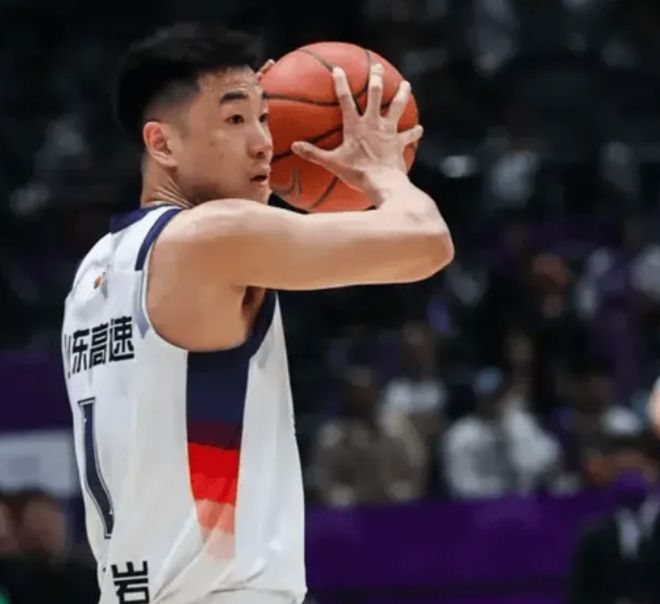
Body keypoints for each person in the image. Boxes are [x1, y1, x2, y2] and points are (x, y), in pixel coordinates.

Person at [60, 22, 454, 604]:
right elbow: (426, 242)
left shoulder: (95, 270)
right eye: (235, 119)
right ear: (162, 145)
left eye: (266, 119)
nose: (265, 143)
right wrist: (383, 170)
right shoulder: (210, 236)